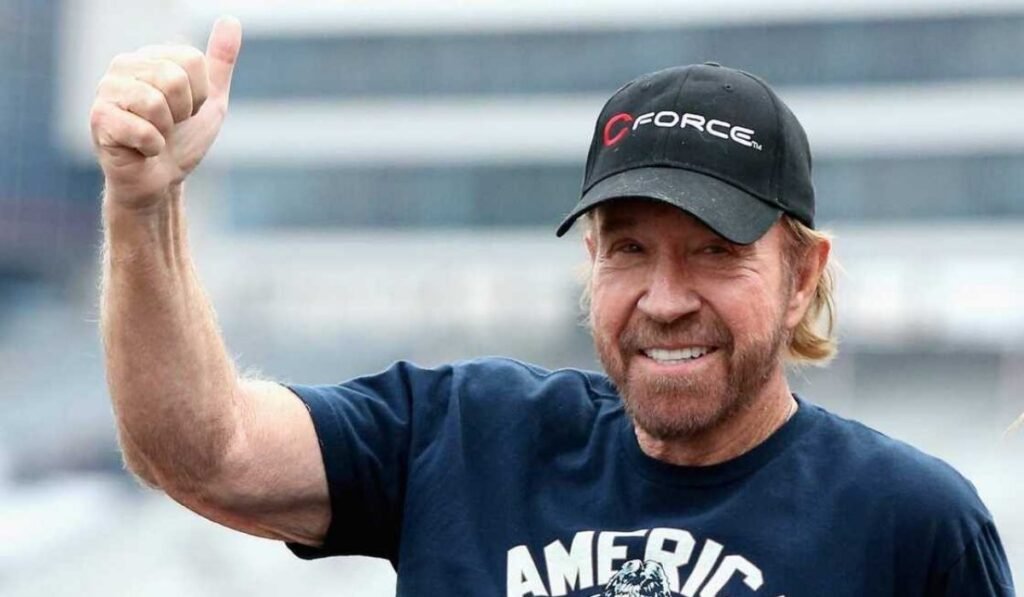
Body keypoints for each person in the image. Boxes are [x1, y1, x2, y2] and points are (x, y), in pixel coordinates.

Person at [93, 17, 1015, 597]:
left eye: (716, 252)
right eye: (629, 249)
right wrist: (143, 204)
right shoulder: (462, 436)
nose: (664, 299)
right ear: (590, 261)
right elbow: (201, 451)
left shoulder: (911, 523)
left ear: (803, 273)